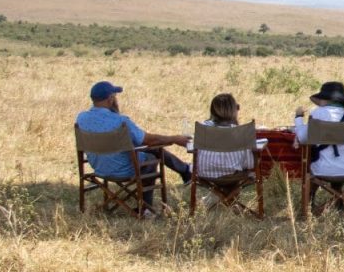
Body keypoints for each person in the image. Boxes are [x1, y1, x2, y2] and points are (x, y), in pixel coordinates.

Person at [75, 80, 190, 214]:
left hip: (99, 167)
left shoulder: (81, 118)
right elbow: (147, 140)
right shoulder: (121, 121)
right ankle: (146, 208)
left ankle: (185, 170)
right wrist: (175, 139)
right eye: (115, 97)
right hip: (124, 169)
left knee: (149, 148)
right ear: (110, 99)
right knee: (151, 158)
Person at [294, 80, 344, 180]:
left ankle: (314, 190)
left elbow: (302, 138)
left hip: (324, 170)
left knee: (312, 161)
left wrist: (298, 117)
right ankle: (337, 190)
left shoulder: (318, 113)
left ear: (325, 98)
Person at [195, 92, 255, 180]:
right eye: (237, 107)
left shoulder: (203, 128)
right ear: (233, 111)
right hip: (232, 176)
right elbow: (250, 164)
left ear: (212, 111)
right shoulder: (241, 132)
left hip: (205, 176)